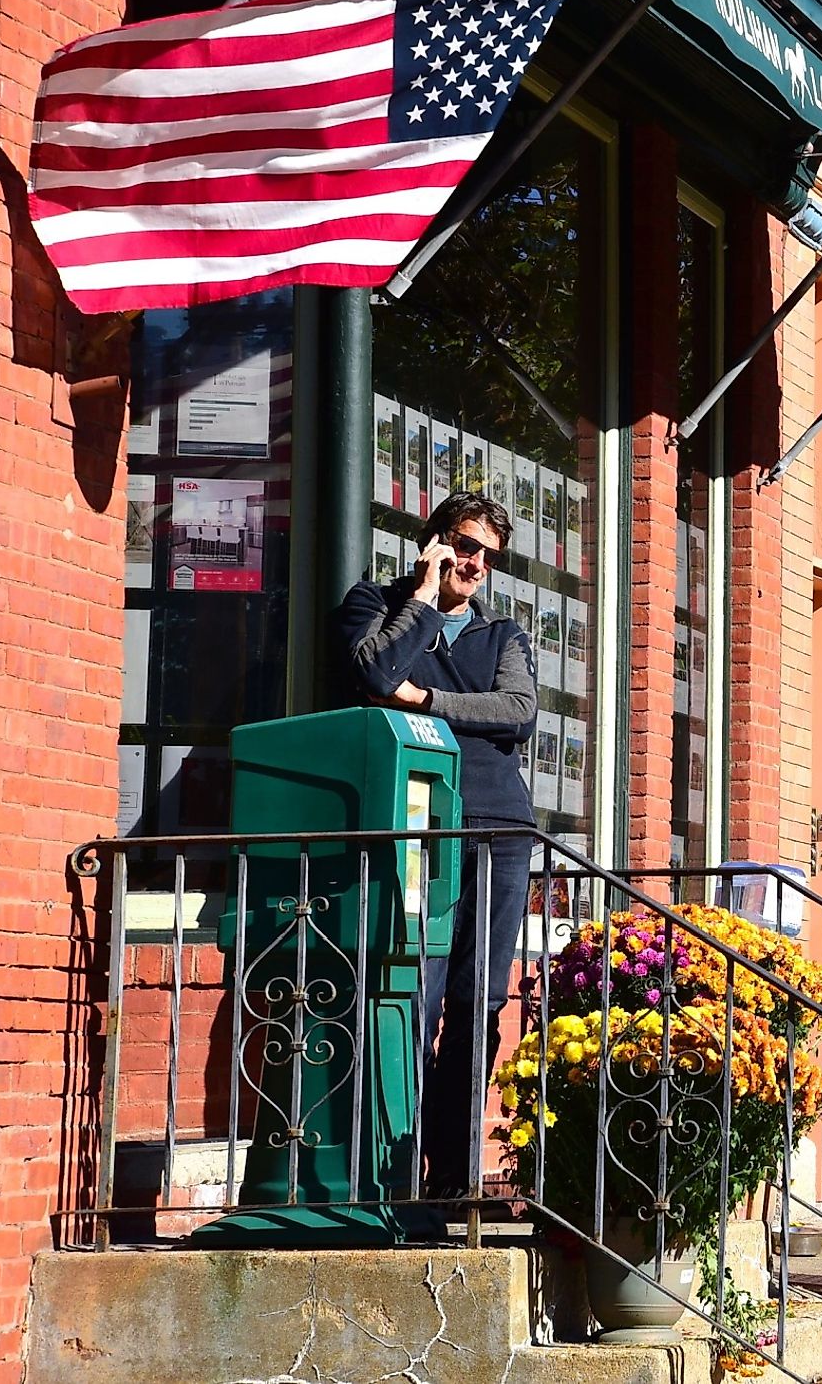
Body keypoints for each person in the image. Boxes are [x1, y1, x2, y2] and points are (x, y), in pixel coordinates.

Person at [337, 491, 538, 1195]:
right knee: (410, 988)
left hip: (499, 831)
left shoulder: (502, 635)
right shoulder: (375, 604)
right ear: (433, 542)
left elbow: (517, 709)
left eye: (488, 554)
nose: (475, 563)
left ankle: (452, 1174)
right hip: (415, 825)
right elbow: (372, 673)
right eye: (464, 545)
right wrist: (420, 598)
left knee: (478, 999)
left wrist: (427, 701)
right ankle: (392, 1170)